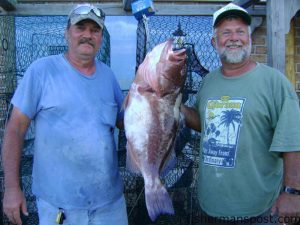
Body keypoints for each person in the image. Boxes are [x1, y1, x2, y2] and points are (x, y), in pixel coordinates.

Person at [2, 3, 128, 225]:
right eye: (81, 28)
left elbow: (123, 123)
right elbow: (15, 129)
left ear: (100, 37)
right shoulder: (41, 71)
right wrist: (12, 188)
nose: (87, 35)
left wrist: (152, 100)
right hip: (60, 208)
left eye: (94, 30)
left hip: (110, 205)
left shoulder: (108, 76)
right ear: (67, 33)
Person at [181, 3, 300, 225]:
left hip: (260, 208)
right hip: (210, 204)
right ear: (214, 42)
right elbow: (204, 124)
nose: (233, 38)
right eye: (226, 32)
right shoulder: (208, 82)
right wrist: (174, 106)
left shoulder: (274, 83)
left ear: (249, 39)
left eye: (240, 32)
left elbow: (293, 140)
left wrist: (293, 192)